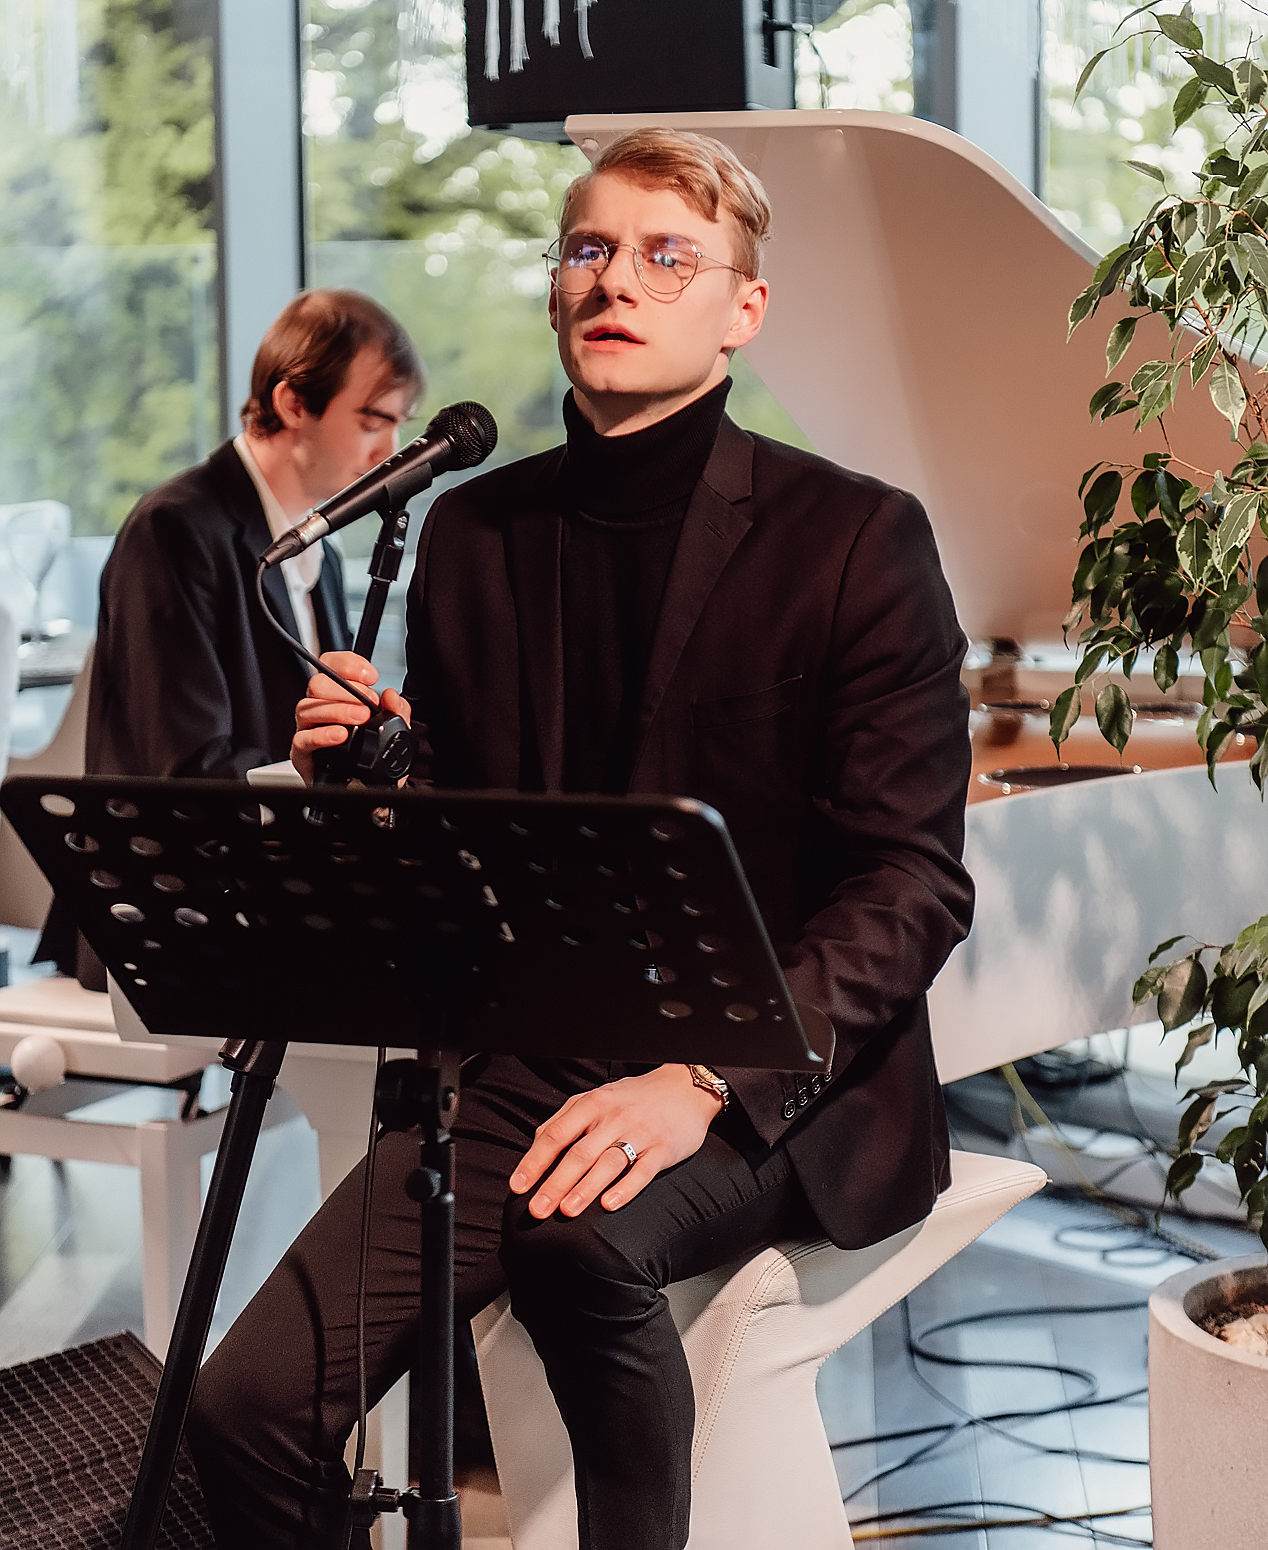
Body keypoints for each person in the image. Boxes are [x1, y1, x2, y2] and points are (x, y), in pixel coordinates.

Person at [186, 128, 973, 1550]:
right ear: (557, 287)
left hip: (776, 1062)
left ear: (742, 309)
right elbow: (476, 833)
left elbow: (911, 883)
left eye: (669, 257)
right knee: (243, 1409)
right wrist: (379, 770)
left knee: (577, 1248)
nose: (616, 279)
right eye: (591, 249)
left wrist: (702, 1079)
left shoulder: (855, 538)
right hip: (538, 1045)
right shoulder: (475, 532)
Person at [35, 289, 423, 986]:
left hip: (264, 900)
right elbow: (180, 774)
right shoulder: (174, 529)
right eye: (374, 419)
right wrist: (306, 777)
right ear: (294, 403)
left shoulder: (321, 554)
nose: (390, 451)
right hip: (166, 919)